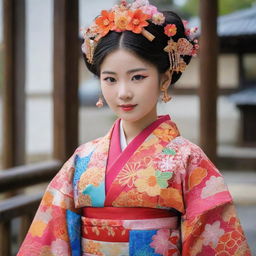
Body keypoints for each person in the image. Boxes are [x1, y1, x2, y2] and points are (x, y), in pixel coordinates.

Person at [18, 0, 251, 255]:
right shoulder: (82, 159)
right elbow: (50, 236)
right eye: (110, 79)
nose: (123, 93)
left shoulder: (188, 160)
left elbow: (214, 241)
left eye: (138, 77)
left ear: (164, 78)